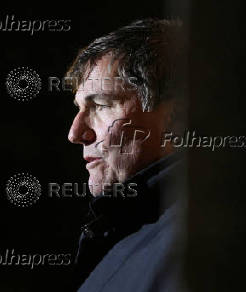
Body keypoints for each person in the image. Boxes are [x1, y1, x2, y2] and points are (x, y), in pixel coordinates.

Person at [66, 18, 187, 291]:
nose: (75, 133)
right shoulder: (125, 231)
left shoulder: (196, 241)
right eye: (78, 108)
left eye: (100, 105)